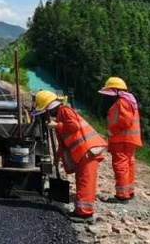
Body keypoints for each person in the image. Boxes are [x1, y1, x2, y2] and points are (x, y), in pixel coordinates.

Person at [34, 90, 106, 220]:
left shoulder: (65, 111)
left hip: (88, 151)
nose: (46, 115)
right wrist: (57, 156)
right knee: (82, 180)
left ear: (49, 107)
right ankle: (80, 211)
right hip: (83, 153)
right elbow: (63, 144)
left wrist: (57, 125)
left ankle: (85, 213)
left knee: (86, 182)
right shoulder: (60, 116)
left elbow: (74, 126)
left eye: (45, 111)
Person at [98, 76, 142, 202]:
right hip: (129, 139)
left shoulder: (122, 102)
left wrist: (112, 132)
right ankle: (129, 191)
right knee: (129, 164)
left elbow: (124, 121)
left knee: (121, 165)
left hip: (121, 139)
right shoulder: (129, 101)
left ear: (116, 91)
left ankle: (122, 196)